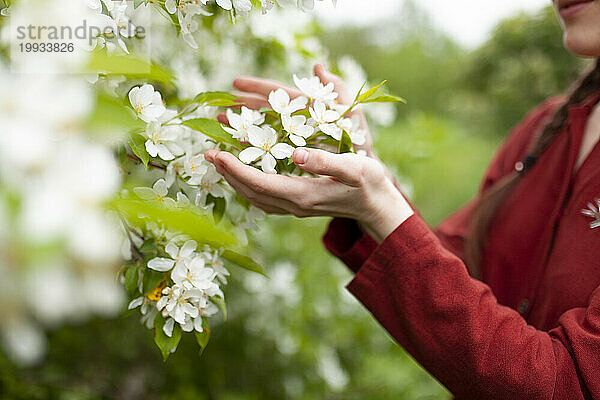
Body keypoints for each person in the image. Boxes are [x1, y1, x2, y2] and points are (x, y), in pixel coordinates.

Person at [204, 1, 600, 398]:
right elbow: (459, 274)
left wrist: (380, 205)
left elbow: (569, 383)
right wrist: (362, 172)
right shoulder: (546, 126)